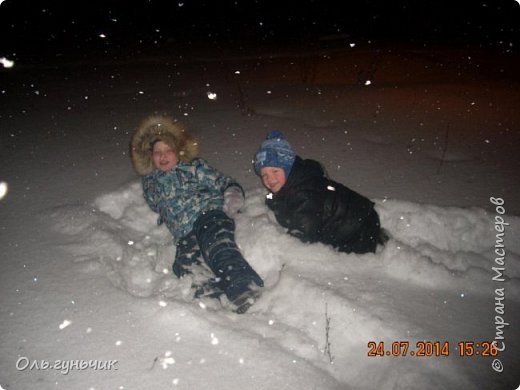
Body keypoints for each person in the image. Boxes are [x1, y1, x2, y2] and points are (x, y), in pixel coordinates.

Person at [130, 115, 263, 313]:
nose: (163, 156)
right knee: (186, 262)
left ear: (179, 150)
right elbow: (154, 204)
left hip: (209, 214)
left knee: (217, 247)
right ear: (150, 155)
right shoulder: (151, 182)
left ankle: (244, 288)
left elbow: (221, 180)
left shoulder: (193, 167)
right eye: (158, 152)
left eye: (168, 150)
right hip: (184, 232)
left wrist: (232, 193)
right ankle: (209, 296)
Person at [254, 130, 387, 254]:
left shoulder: (305, 193)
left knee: (341, 261)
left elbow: (304, 234)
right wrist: (271, 201)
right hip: (358, 216)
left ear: (288, 169)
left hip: (359, 227)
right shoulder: (291, 184)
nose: (270, 179)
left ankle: (378, 239)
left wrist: (279, 246)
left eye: (275, 171)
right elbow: (281, 199)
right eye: (264, 175)